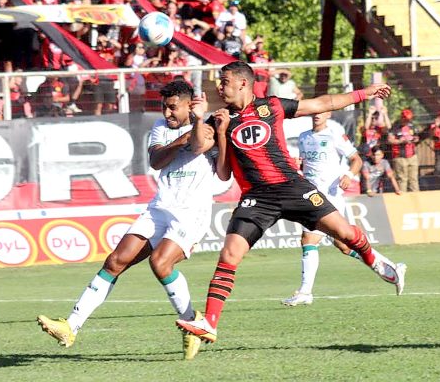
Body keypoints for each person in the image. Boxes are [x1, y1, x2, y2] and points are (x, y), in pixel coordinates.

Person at [176, 61, 405, 345]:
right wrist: (204, 122)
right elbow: (206, 155)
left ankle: (374, 260)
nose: (219, 87)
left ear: (243, 83)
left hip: (293, 187)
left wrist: (364, 93)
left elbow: (322, 102)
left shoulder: (271, 106)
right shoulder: (219, 119)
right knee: (229, 255)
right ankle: (210, 323)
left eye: (224, 81)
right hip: (256, 198)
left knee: (344, 234)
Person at [36, 81, 216, 360]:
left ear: (188, 104)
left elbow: (197, 146)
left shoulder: (207, 124)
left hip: (192, 212)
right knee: (115, 261)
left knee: (160, 263)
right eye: (163, 107)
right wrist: (179, 138)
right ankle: (70, 326)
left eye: (172, 107)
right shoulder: (160, 126)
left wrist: (198, 120)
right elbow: (157, 160)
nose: (167, 113)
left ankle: (192, 322)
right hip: (160, 207)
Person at [282, 111, 402, 307]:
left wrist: (348, 175)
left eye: (321, 112)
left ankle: (305, 291)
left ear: (328, 114)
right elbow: (307, 165)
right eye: (314, 112)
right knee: (344, 246)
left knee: (309, 239)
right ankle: (389, 267)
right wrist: (298, 164)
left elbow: (357, 160)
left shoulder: (334, 135)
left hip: (330, 195)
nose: (316, 115)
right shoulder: (304, 137)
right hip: (312, 194)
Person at [387, 108, 420, 192]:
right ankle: (403, 200)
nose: (407, 121)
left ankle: (417, 200)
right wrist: (400, 141)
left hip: (412, 156)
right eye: (406, 119)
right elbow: (390, 140)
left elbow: (417, 137)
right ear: (402, 118)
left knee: (414, 180)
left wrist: (415, 139)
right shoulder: (395, 126)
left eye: (409, 119)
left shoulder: (411, 125)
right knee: (402, 180)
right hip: (400, 157)